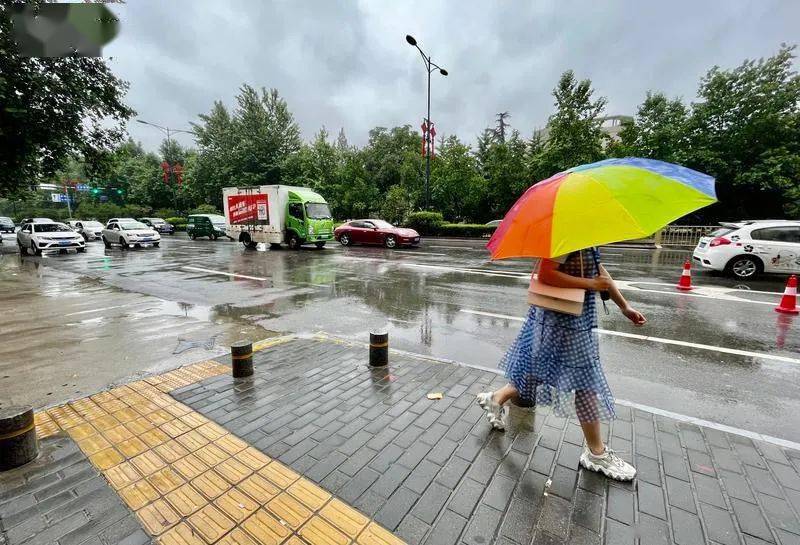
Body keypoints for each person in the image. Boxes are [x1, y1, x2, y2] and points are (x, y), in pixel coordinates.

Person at [476, 247, 646, 481]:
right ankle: (596, 453)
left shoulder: (585, 236)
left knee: (539, 372)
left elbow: (600, 272)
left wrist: (624, 306)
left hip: (571, 320)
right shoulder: (565, 238)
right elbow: (547, 273)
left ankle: (495, 398)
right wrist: (590, 284)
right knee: (586, 381)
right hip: (559, 320)